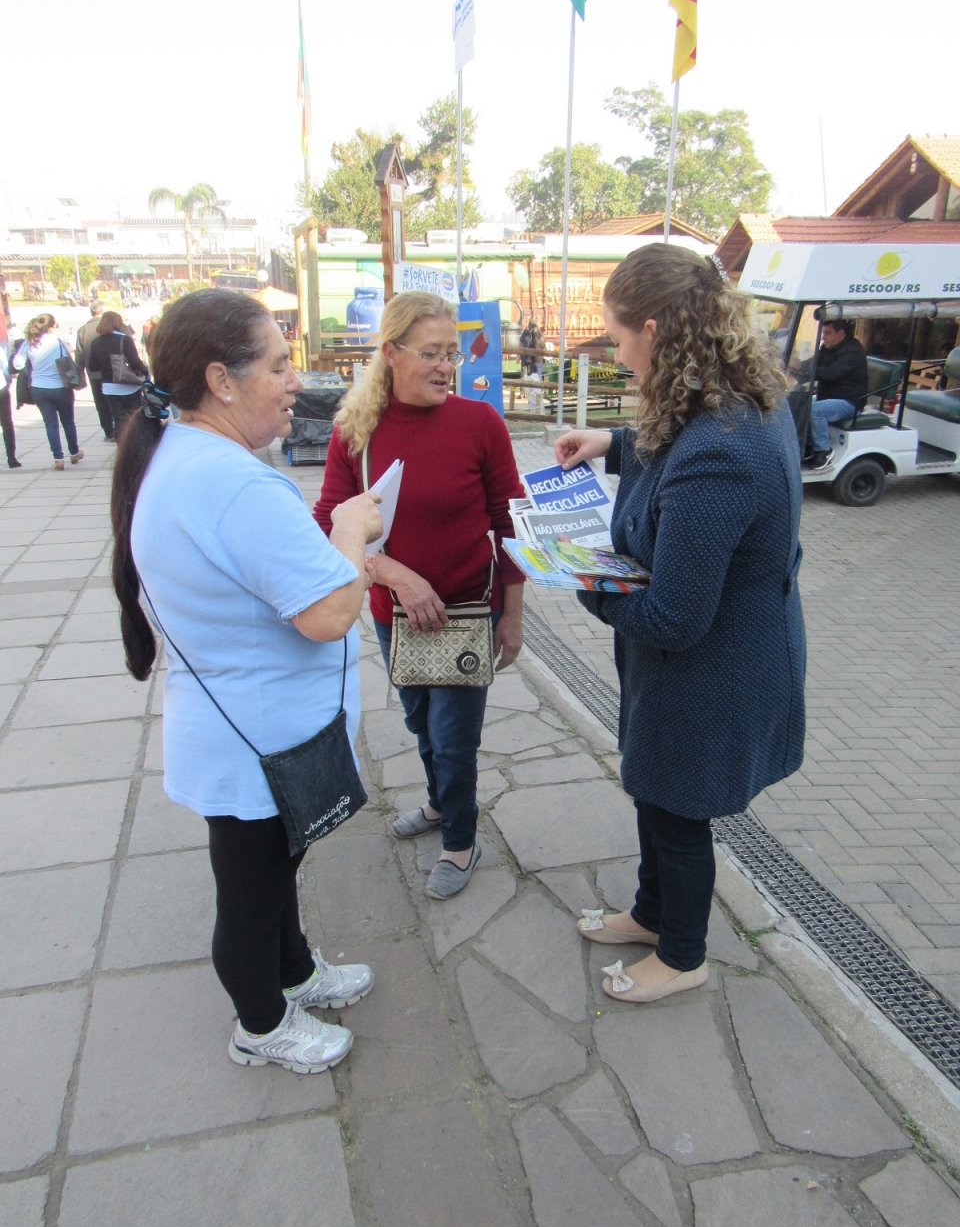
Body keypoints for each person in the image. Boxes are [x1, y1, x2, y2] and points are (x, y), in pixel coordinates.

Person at [111, 288, 383, 1074]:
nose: (294, 380)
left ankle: (295, 970)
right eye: (278, 364)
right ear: (220, 381)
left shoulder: (187, 456)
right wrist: (350, 528)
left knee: (276, 868)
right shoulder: (233, 482)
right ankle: (261, 1024)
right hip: (255, 740)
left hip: (248, 727)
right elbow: (329, 613)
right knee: (252, 888)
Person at [555, 243, 805, 1004]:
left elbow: (670, 616)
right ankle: (650, 913)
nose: (621, 357)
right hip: (709, 662)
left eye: (622, 340)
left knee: (677, 811)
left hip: (711, 673)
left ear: (657, 331)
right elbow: (672, 447)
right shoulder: (737, 400)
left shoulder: (721, 455)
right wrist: (613, 443)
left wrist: (575, 573)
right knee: (655, 794)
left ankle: (683, 955)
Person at [314, 291, 525, 900]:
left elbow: (510, 525)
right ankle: (439, 805)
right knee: (421, 725)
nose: (444, 366)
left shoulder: (479, 424)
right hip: (393, 615)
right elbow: (331, 522)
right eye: (429, 353)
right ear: (391, 354)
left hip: (467, 613)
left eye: (451, 355)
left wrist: (511, 619)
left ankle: (460, 839)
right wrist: (393, 575)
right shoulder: (356, 430)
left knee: (456, 738)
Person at [12, 314, 84, 470]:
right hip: (60, 387)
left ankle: (58, 458)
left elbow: (17, 364)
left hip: (38, 388)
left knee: (50, 424)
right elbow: (67, 359)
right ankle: (74, 452)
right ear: (51, 326)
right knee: (68, 421)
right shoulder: (57, 341)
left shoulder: (30, 342)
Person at [801, 318, 868, 469]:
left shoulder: (853, 352)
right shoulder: (827, 347)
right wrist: (799, 366)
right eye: (823, 333)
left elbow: (831, 374)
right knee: (801, 404)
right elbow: (813, 363)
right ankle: (808, 446)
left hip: (850, 402)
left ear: (841, 333)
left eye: (828, 333)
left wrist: (806, 370)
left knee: (815, 410)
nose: (824, 337)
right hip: (830, 398)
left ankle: (823, 451)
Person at [88, 310, 150, 439]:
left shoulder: (96, 342)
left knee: (118, 418)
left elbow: (92, 366)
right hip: (128, 385)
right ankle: (134, 444)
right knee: (134, 417)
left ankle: (121, 445)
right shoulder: (124, 339)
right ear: (118, 323)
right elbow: (134, 362)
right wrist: (145, 371)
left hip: (109, 387)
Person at [75, 299, 114, 441]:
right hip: (112, 371)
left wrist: (79, 372)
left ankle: (108, 431)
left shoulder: (83, 330)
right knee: (114, 401)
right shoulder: (110, 327)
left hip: (94, 374)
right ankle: (118, 429)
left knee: (101, 403)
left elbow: (79, 353)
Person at [0, 341, 21, 468]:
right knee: (7, 423)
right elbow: (5, 369)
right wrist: (7, 384)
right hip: (1, 389)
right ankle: (11, 457)